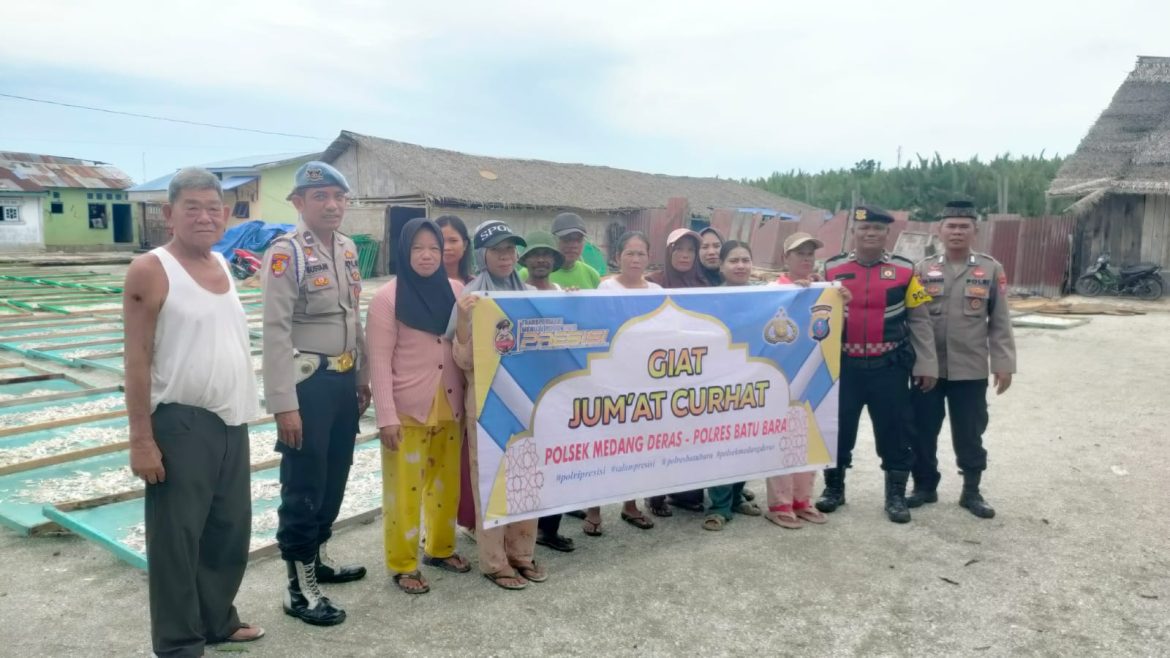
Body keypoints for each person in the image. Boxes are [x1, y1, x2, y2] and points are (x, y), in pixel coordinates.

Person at [123, 168, 264, 656]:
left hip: (231, 420)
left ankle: (216, 621)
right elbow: (136, 358)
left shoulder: (222, 264)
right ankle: (179, 642)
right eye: (193, 207)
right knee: (177, 540)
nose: (205, 217)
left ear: (225, 215)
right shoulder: (152, 269)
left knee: (228, 530)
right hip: (181, 423)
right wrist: (141, 438)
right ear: (169, 214)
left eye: (214, 208)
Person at [262, 161, 371, 626]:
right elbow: (274, 330)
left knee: (335, 475)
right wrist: (283, 403)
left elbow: (352, 316)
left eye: (339, 197)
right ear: (299, 203)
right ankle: (298, 589)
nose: (332, 205)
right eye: (321, 196)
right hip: (308, 386)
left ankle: (317, 560)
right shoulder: (287, 252)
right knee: (304, 484)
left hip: (344, 382)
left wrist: (362, 374)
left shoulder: (346, 248)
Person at [367, 218, 471, 595]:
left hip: (449, 404)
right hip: (407, 410)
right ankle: (402, 563)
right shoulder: (386, 299)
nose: (427, 256)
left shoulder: (458, 291)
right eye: (418, 249)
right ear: (404, 251)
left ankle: (440, 549)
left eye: (434, 249)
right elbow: (378, 362)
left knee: (446, 487)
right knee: (405, 492)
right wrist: (386, 418)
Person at [817, 205, 937, 524]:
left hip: (890, 365)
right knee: (838, 429)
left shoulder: (905, 270)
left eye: (877, 229)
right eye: (864, 228)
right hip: (845, 367)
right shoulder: (831, 269)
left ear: (887, 233)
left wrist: (926, 363)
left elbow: (921, 320)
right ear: (853, 233)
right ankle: (834, 489)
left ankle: (895, 495)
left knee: (894, 431)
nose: (870, 233)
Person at [451, 220, 549, 590]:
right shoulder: (472, 297)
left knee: (526, 474)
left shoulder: (527, 293)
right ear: (483, 255)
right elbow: (462, 359)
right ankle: (494, 562)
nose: (506, 257)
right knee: (491, 479)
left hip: (525, 396)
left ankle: (522, 553)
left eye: (511, 250)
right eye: (498, 250)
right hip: (487, 399)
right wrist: (463, 318)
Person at [908, 201, 1016, 519]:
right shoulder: (923, 270)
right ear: (939, 230)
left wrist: (1004, 363)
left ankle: (971, 491)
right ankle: (924, 487)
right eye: (951, 226)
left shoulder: (990, 269)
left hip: (970, 368)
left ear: (975, 231)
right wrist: (917, 363)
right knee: (922, 430)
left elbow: (1000, 320)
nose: (957, 231)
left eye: (963, 226)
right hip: (928, 368)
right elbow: (915, 319)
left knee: (970, 431)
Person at [577, 232, 659, 537]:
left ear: (649, 258)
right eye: (629, 253)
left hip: (646, 381)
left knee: (636, 447)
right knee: (604, 447)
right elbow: (595, 327)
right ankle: (594, 509)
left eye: (641, 254)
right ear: (618, 257)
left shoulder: (657, 291)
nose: (635, 259)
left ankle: (630, 505)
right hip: (610, 380)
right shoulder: (605, 288)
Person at [767, 232, 837, 529]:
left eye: (810, 253)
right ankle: (779, 503)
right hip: (783, 373)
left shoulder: (824, 290)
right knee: (784, 438)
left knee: (811, 433)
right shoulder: (772, 290)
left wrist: (839, 298)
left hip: (815, 373)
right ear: (786, 258)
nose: (807, 258)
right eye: (800, 254)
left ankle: (802, 499)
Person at [516, 229, 576, 551]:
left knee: (557, 459)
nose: (541, 260)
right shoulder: (516, 292)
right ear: (524, 261)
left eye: (547, 255)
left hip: (558, 390)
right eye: (535, 255)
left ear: (555, 260)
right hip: (525, 389)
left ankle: (548, 529)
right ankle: (525, 528)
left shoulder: (563, 293)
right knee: (528, 459)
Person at [645, 228, 710, 516]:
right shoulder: (654, 284)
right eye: (678, 249)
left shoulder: (703, 283)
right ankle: (654, 494)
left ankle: (686, 492)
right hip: (659, 373)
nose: (685, 255)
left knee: (690, 434)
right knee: (660, 436)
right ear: (668, 253)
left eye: (690, 250)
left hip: (695, 373)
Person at [702, 241, 764, 530]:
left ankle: (737, 497)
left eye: (745, 260)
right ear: (722, 266)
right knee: (720, 445)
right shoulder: (709, 299)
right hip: (718, 383)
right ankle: (718, 507)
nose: (740, 265)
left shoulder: (768, 296)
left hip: (753, 384)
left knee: (746, 443)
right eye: (734, 260)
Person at [547, 212, 602, 289]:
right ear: (553, 240)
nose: (573, 245)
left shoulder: (592, 275)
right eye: (567, 239)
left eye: (579, 240)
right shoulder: (533, 273)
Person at [436, 215, 474, 284]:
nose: (446, 247)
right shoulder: (422, 283)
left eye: (453, 240)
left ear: (465, 244)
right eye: (440, 241)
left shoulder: (474, 284)